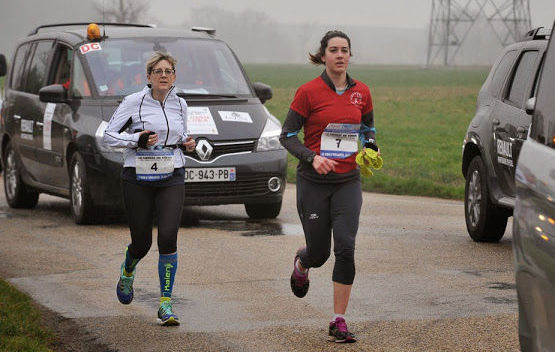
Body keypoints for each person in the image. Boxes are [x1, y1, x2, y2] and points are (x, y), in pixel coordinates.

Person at [279, 30, 378, 343]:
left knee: (346, 248)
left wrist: (371, 148)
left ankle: (338, 321)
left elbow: (368, 128)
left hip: (348, 181)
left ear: (350, 55)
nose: (339, 55)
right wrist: (312, 158)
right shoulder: (308, 92)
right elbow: (287, 136)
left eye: (344, 50)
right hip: (314, 184)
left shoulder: (362, 92)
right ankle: (303, 261)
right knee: (320, 254)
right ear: (323, 56)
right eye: (333, 50)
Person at [103, 51, 196, 326]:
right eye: (159, 71)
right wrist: (137, 139)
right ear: (149, 77)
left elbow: (180, 137)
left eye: (169, 71)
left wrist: (187, 144)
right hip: (137, 177)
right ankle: (128, 269)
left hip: (172, 174)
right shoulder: (133, 102)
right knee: (142, 242)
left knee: (168, 237)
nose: (164, 76)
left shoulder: (180, 104)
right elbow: (108, 134)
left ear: (175, 77)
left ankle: (165, 304)